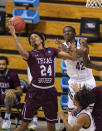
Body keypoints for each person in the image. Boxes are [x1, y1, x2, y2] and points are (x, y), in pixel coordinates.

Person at [8, 21, 77, 131]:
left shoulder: (52, 51)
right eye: (31, 38)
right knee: (23, 126)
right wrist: (13, 34)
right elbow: (21, 51)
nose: (33, 38)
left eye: (35, 36)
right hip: (34, 92)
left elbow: (72, 57)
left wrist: (69, 48)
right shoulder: (30, 54)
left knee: (51, 126)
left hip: (50, 92)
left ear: (42, 39)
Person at [57, 26, 96, 126]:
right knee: (72, 112)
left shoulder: (82, 42)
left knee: (89, 112)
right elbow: (72, 57)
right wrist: (68, 50)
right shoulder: (61, 47)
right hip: (74, 81)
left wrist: (68, 50)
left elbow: (81, 54)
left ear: (74, 33)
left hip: (87, 81)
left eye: (69, 32)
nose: (67, 33)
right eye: (64, 32)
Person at [0, 56, 22, 129]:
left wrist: (13, 91)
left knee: (9, 94)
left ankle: (7, 118)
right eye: (0, 64)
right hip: (1, 97)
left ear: (7, 65)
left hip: (13, 99)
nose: (1, 66)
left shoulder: (13, 74)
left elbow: (20, 92)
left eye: (3, 64)